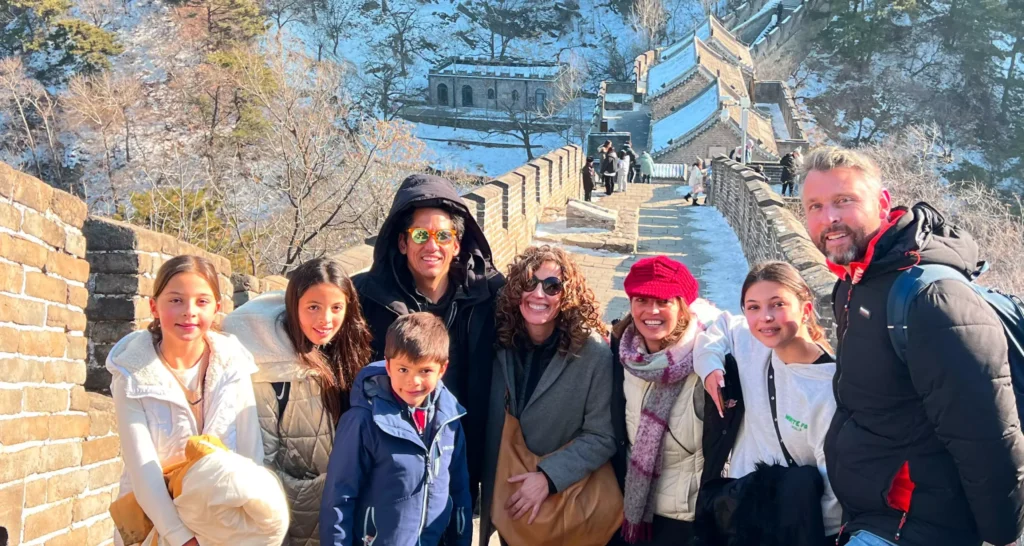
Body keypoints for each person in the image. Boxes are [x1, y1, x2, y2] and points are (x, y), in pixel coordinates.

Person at [800, 146, 1024, 546]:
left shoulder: (931, 298)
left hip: (918, 527)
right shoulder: (854, 284)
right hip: (873, 518)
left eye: (843, 200)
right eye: (815, 206)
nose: (828, 218)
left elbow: (987, 437)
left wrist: (1002, 535)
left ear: (882, 203)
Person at [352, 173, 504, 501]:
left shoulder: (490, 295)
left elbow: (543, 314)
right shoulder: (367, 298)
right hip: (392, 474)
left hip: (465, 464)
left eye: (443, 235)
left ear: (457, 243)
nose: (432, 246)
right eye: (420, 234)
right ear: (403, 242)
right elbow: (311, 313)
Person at [107, 255, 262, 546]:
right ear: (154, 306)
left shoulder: (234, 365)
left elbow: (251, 452)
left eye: (202, 301)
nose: (189, 312)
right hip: (155, 525)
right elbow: (143, 470)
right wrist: (182, 538)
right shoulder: (131, 374)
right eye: (176, 300)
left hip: (223, 526)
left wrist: (248, 522)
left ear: (217, 307)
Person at [222, 258, 373, 546]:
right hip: (296, 517)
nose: (325, 320)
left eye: (336, 308)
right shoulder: (270, 367)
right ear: (294, 305)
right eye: (313, 307)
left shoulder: (348, 351)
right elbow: (261, 458)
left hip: (347, 512)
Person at [479, 245, 618, 545]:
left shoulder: (592, 353)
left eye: (552, 286)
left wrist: (547, 478)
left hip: (565, 504)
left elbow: (602, 435)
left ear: (566, 294)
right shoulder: (502, 343)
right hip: (511, 499)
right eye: (530, 283)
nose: (539, 294)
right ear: (517, 290)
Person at [696, 261, 840, 544]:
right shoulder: (752, 343)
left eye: (777, 304)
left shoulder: (828, 388)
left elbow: (834, 492)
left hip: (791, 526)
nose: (765, 318)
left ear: (806, 310)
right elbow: (719, 328)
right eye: (753, 307)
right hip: (741, 510)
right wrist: (710, 367)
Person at [320, 312, 471, 546]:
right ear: (388, 366)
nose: (414, 381)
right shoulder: (363, 421)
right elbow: (339, 498)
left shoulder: (450, 421)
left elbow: (459, 491)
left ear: (442, 369)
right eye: (403, 370)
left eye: (425, 371)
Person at [609, 256, 723, 545]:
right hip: (632, 506)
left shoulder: (705, 358)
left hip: (686, 517)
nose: (652, 311)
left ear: (682, 306)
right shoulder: (623, 355)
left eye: (664, 301)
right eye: (642, 300)